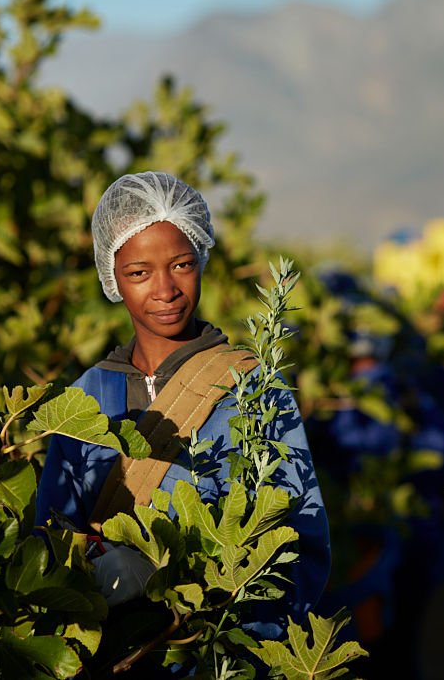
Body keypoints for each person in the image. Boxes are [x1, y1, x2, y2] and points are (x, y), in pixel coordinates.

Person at [35, 172, 330, 633]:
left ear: (202, 259)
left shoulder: (253, 389)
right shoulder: (84, 397)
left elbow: (300, 537)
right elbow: (50, 535)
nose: (165, 290)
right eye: (138, 273)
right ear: (111, 278)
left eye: (181, 265)